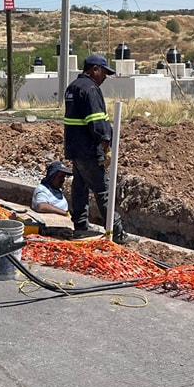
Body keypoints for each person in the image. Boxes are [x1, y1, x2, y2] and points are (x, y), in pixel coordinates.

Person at [63, 53, 135, 244]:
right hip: (88, 149)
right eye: (104, 72)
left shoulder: (73, 87)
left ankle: (80, 228)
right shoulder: (90, 89)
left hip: (75, 149)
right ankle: (117, 233)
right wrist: (105, 147)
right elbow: (96, 122)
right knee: (103, 190)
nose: (105, 77)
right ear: (94, 69)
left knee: (80, 187)